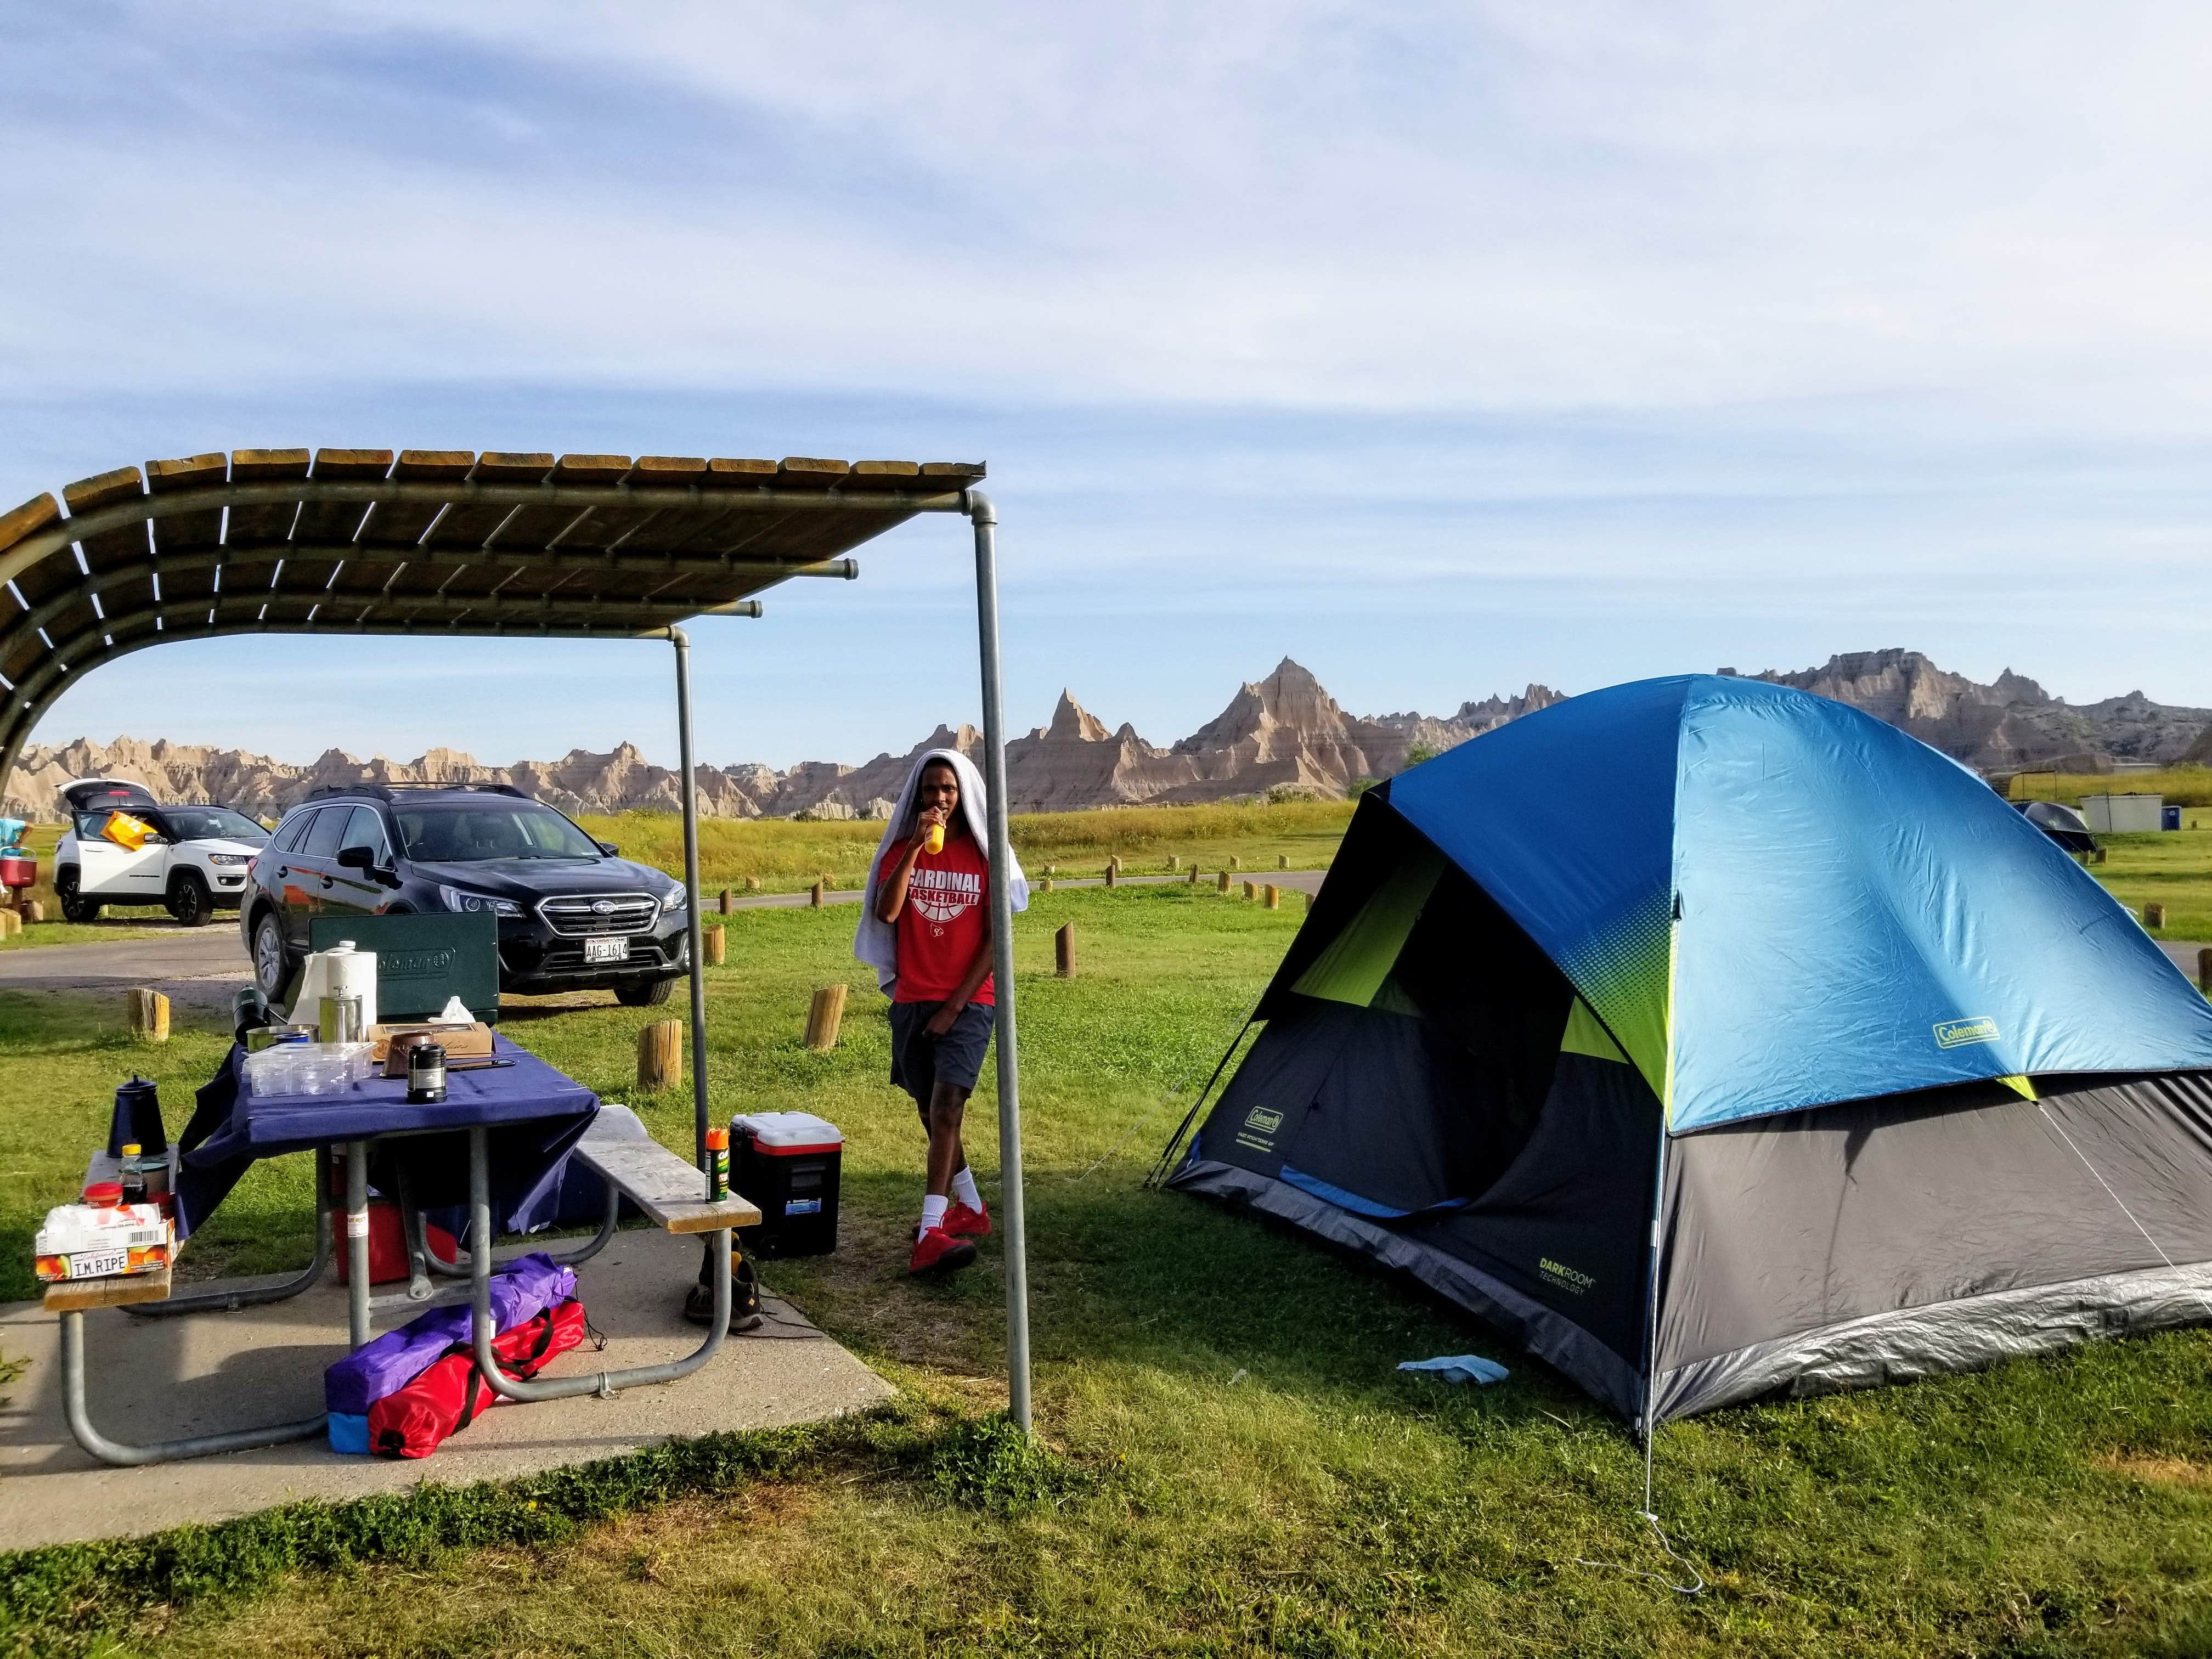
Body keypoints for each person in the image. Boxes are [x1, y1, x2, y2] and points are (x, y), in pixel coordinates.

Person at [859, 749, 1021, 1273]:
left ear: (963, 794)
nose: (939, 799)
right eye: (930, 791)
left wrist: (953, 1009)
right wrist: (912, 849)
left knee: (949, 1107)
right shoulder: (901, 850)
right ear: (918, 797)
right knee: (931, 1113)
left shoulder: (983, 855)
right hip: (913, 999)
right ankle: (971, 1207)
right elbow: (887, 911)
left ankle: (931, 1231)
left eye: (948, 790)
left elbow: (997, 940)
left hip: (971, 999)